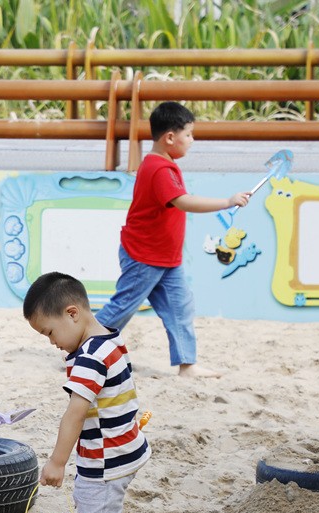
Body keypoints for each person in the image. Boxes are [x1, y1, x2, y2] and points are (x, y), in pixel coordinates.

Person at [24, 272, 149, 513]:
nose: (51, 342)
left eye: (49, 332)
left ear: (72, 313)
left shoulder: (91, 356)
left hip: (107, 460)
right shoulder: (108, 340)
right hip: (123, 450)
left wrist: (56, 462)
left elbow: (74, 414)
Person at [95, 100, 251, 377]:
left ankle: (187, 364)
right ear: (170, 137)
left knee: (180, 308)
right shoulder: (159, 169)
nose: (192, 140)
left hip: (164, 257)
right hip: (145, 256)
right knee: (122, 307)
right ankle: (80, 349)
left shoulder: (161, 164)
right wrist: (227, 201)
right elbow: (183, 201)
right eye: (188, 134)